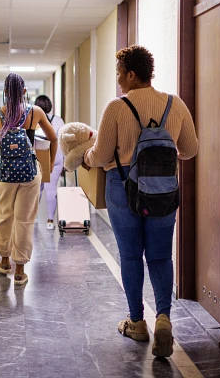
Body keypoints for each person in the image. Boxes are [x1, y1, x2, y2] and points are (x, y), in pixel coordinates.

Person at [84, 46, 198, 357]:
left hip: (123, 191)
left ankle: (137, 322)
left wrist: (85, 154)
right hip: (162, 191)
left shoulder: (117, 108)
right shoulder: (175, 106)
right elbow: (189, 149)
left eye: (120, 71)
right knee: (160, 256)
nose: (118, 77)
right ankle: (163, 318)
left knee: (132, 256)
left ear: (132, 74)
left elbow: (101, 156)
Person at [0, 73, 58, 286]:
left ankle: (5, 261)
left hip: (5, 174)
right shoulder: (35, 113)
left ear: (5, 92)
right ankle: (20, 271)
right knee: (24, 220)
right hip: (30, 173)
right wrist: (50, 165)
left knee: (5, 215)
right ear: (24, 92)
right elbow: (53, 138)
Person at [34, 95, 65, 230]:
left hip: (39, 157)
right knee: (51, 188)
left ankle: (33, 217)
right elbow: (64, 142)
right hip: (56, 158)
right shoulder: (59, 121)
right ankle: (50, 220)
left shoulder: (33, 120)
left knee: (37, 189)